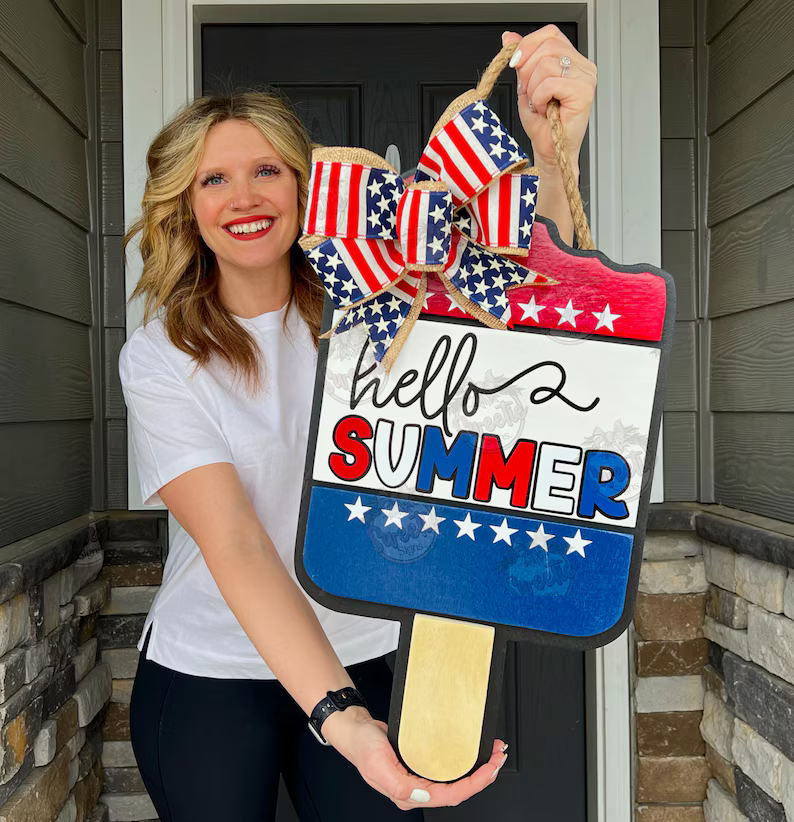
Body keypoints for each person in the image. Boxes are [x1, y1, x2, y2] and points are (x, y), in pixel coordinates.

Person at [120, 26, 596, 822]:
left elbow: (525, 315)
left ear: (305, 186)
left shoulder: (384, 304)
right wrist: (340, 720)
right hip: (207, 670)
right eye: (214, 179)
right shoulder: (161, 355)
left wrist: (552, 155)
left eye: (267, 170)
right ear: (185, 206)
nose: (244, 197)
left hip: (361, 653)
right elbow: (236, 542)